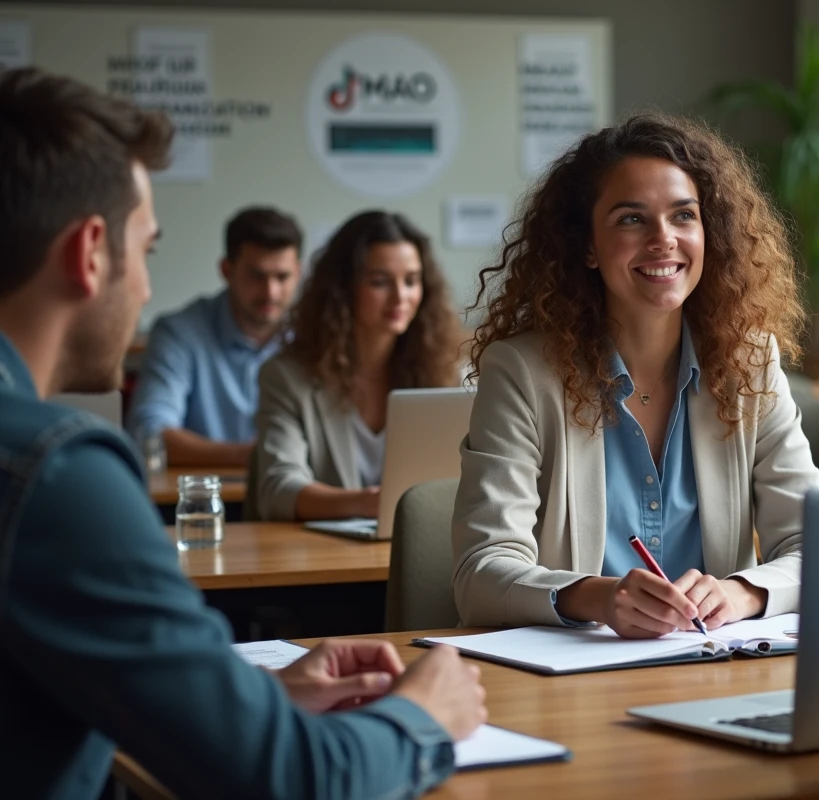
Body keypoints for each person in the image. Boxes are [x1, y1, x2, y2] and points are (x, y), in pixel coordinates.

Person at [0, 67, 486, 800]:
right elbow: (291, 779)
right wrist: (424, 716)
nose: (148, 289)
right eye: (149, 251)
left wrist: (242, 699)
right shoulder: (56, 472)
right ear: (91, 251)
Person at [452, 113, 819, 638]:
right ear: (587, 247)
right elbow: (480, 571)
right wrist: (600, 597)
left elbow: (817, 546)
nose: (663, 239)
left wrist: (739, 594)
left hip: (710, 665)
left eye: (683, 216)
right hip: (574, 677)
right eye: (631, 219)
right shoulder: (521, 372)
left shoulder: (750, 363)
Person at [249, 210, 463, 522]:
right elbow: (278, 488)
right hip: (325, 560)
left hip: (418, 546)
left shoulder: (446, 372)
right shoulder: (286, 377)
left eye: (411, 281)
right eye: (380, 282)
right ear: (343, 288)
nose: (400, 297)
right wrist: (366, 503)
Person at [126, 206, 303, 467]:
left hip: (295, 500)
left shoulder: (313, 338)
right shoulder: (179, 333)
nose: (271, 292)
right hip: (200, 501)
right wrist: (255, 457)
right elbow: (150, 434)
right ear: (226, 269)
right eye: (257, 276)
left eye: (282, 277)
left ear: (298, 272)